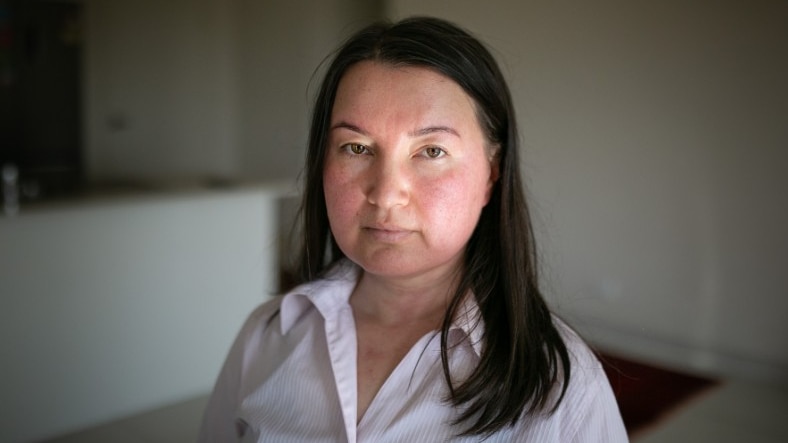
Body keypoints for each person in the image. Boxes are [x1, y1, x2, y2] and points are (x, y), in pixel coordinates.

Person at [199, 16, 628, 442]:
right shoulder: (268, 336)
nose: (386, 195)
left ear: (491, 173)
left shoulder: (562, 389)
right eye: (356, 147)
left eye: (431, 151)